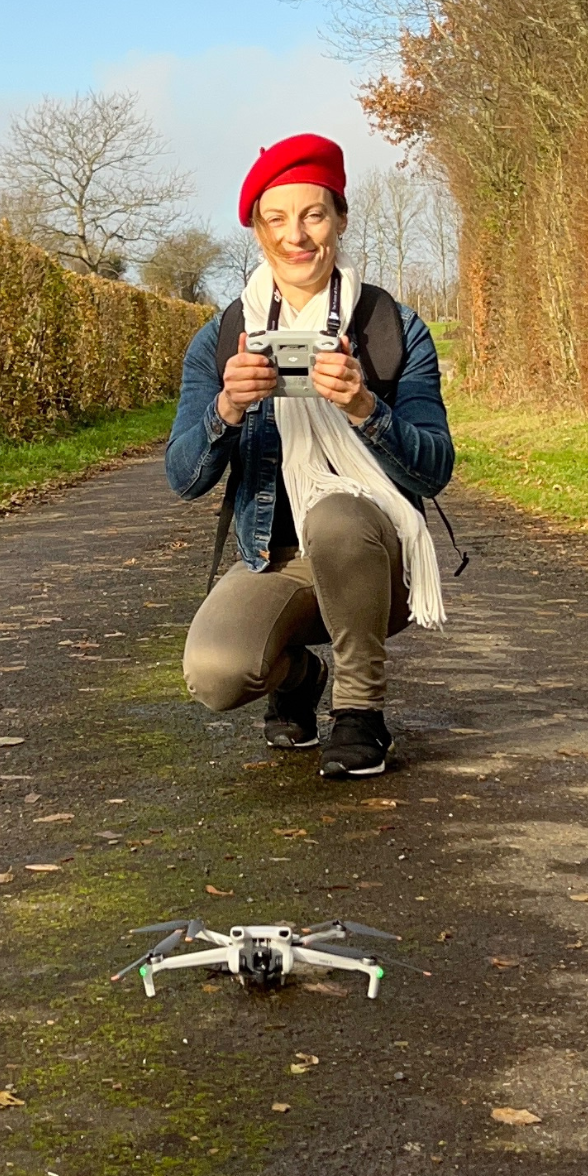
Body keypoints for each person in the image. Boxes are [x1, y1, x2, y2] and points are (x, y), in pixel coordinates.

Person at [165, 132, 455, 777]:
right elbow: (183, 477)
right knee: (216, 676)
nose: (296, 235)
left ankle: (360, 714)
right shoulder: (222, 337)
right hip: (276, 556)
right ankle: (300, 675)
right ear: (257, 231)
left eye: (313, 214)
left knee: (337, 515)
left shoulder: (391, 327)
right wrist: (227, 410)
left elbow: (434, 468)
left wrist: (363, 409)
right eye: (276, 218)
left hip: (376, 559)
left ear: (340, 220)